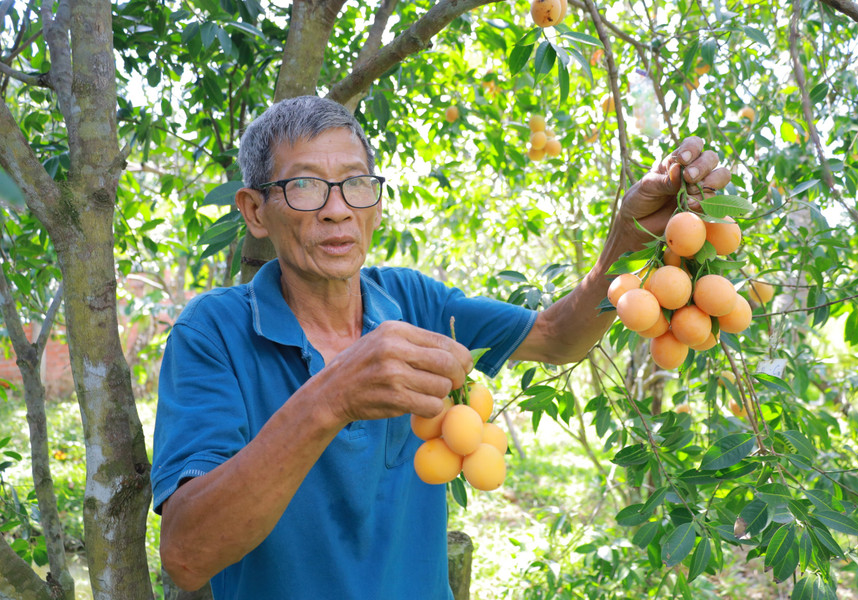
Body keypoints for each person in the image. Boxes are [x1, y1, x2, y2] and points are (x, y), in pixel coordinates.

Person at [151, 95, 729, 599]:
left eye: (355, 183)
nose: (337, 208)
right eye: (304, 185)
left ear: (376, 202)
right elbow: (186, 556)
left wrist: (628, 236)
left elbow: (557, 337)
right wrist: (330, 398)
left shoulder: (412, 301)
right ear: (255, 211)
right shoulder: (213, 332)